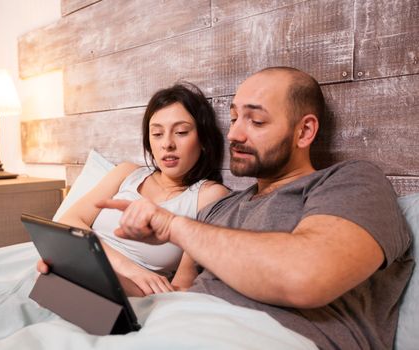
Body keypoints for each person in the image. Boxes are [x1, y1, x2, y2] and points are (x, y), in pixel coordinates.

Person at [98, 67, 414, 349]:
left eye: (256, 120)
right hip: (174, 325)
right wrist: (94, 280)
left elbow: (305, 276)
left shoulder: (351, 181)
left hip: (263, 337)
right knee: (56, 308)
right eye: (234, 118)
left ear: (304, 131)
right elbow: (174, 293)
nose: (234, 134)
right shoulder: (219, 210)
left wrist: (174, 227)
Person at [39, 82, 229, 297]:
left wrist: (125, 278)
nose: (167, 144)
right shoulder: (127, 173)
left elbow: (182, 286)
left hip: (126, 293)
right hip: (74, 266)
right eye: (157, 134)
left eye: (181, 132)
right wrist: (131, 270)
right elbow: (67, 221)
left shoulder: (209, 196)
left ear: (203, 139)